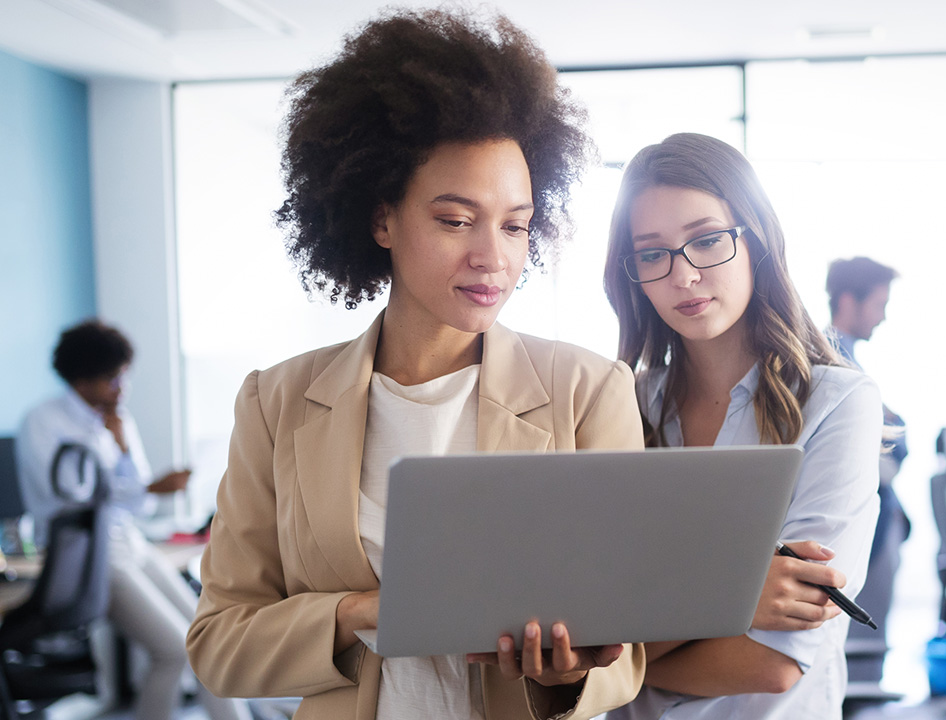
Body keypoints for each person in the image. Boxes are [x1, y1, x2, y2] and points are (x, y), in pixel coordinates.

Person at [185, 9, 646, 720]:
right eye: (457, 220)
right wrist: (359, 612)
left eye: (516, 224)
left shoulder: (587, 392)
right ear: (381, 220)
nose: (493, 256)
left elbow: (627, 655)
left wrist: (562, 676)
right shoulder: (277, 402)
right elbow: (219, 643)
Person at [602, 133, 881, 719]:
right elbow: (581, 625)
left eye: (706, 240)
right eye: (652, 253)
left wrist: (619, 655)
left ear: (756, 239)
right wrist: (736, 597)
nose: (683, 276)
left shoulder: (837, 404)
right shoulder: (621, 404)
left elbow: (772, 664)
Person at [16, 319, 251, 720]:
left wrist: (124, 448)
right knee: (172, 650)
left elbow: (138, 507)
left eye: (123, 376)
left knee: (208, 635)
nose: (121, 388)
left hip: (130, 541)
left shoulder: (118, 419)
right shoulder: (44, 422)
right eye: (112, 379)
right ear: (82, 379)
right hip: (91, 554)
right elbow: (72, 499)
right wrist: (147, 487)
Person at [827, 256, 909, 684]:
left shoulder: (849, 360)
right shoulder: (831, 362)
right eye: (879, 303)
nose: (883, 315)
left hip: (879, 522)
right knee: (859, 646)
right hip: (865, 528)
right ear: (848, 300)